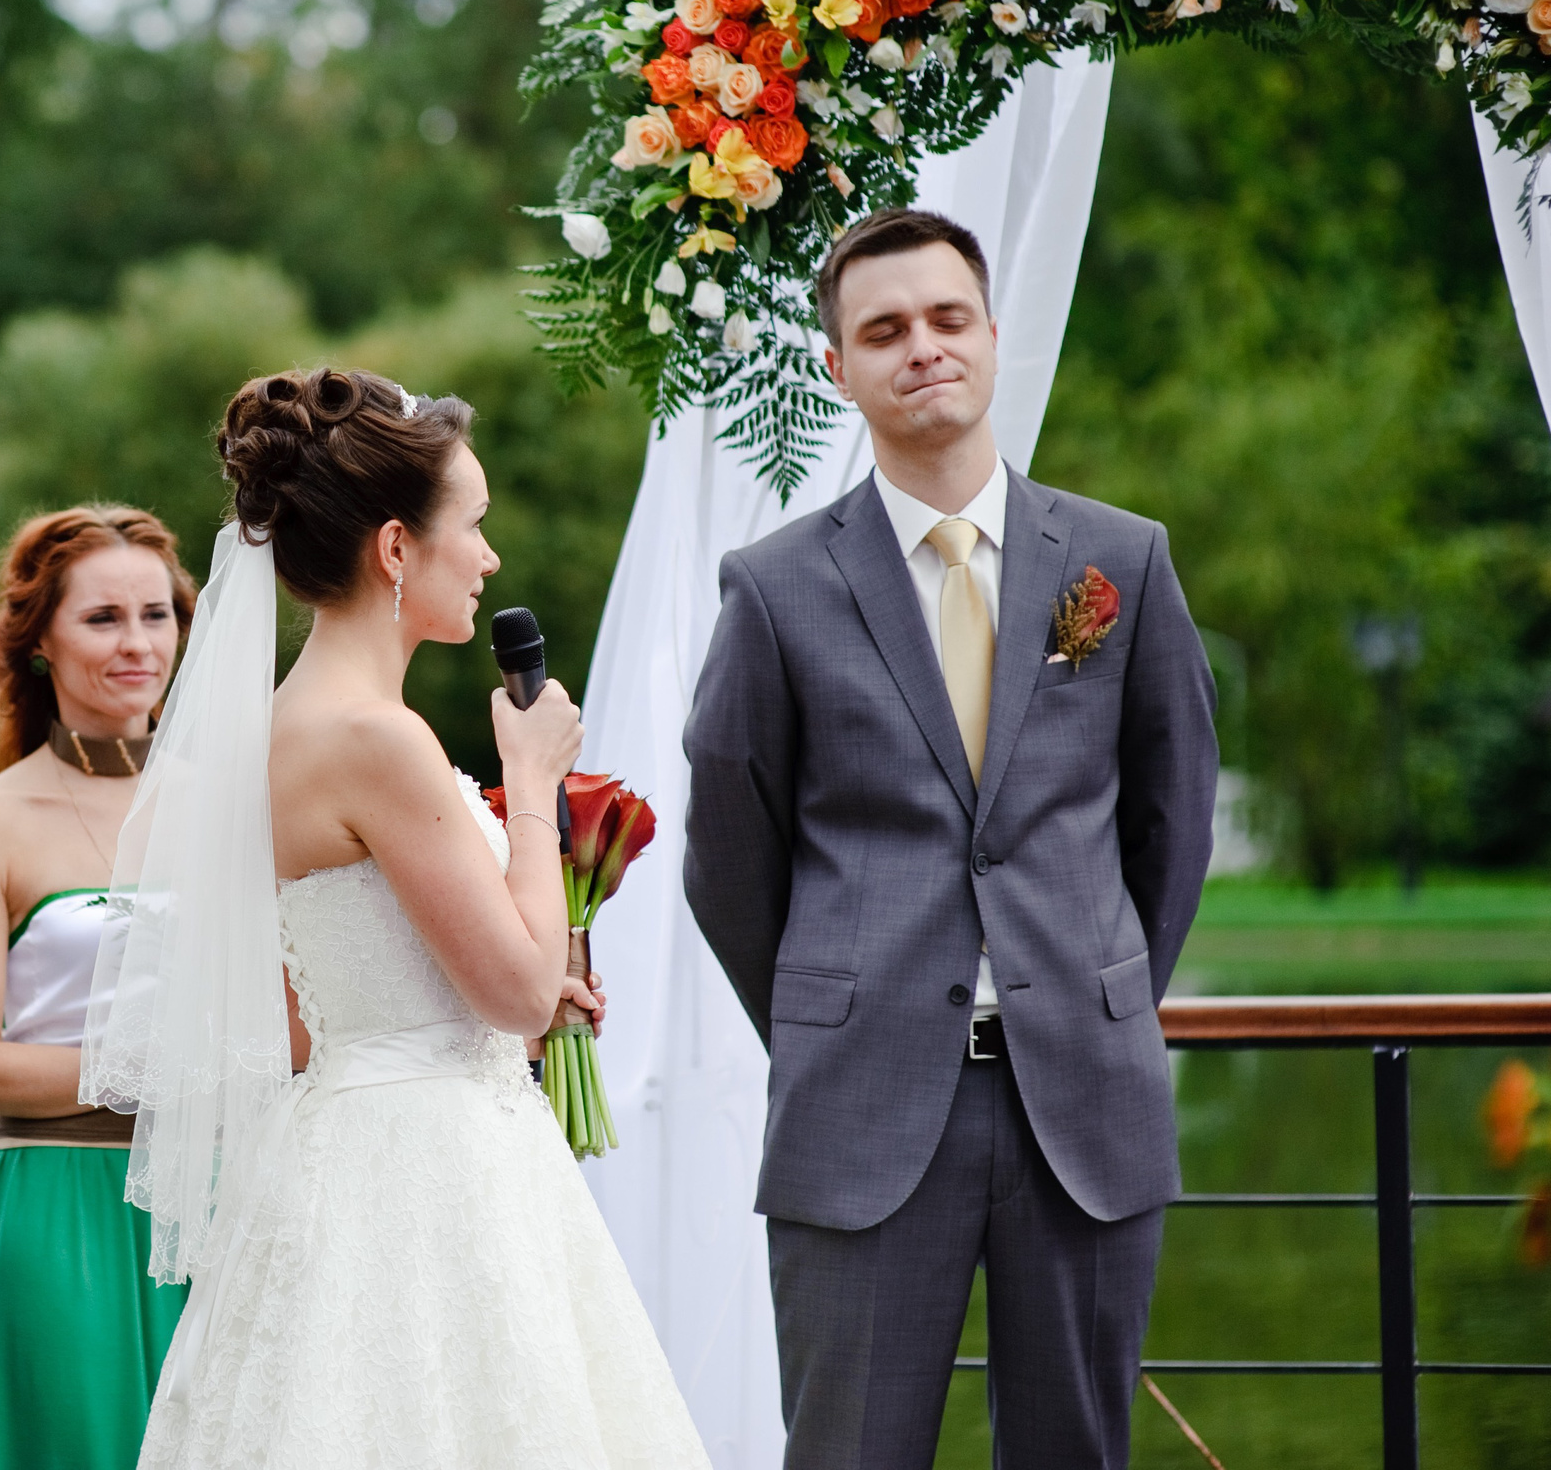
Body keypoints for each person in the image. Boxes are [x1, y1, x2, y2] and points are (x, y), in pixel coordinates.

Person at [80, 368, 707, 1468]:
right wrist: (531, 783)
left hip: (336, 1146)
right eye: (473, 526)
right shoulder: (376, 737)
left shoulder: (281, 728)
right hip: (431, 1176)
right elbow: (512, 991)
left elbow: (329, 995)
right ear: (395, 549)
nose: (490, 559)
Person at [684, 209, 1217, 1468]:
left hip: (1081, 1104)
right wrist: (840, 1009)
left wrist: (1096, 993)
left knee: (1074, 1452)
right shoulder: (772, 588)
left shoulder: (1115, 563)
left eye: (944, 318)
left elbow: (1171, 819)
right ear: (839, 371)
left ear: (989, 334)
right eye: (882, 331)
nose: (919, 347)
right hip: (857, 1108)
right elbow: (730, 856)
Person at [0, 506, 197, 1470]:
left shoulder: (244, 801)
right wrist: (169, 1069)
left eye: (157, 615)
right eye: (103, 619)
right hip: (59, 1199)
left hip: (221, 1200)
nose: (139, 644)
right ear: (38, 640)